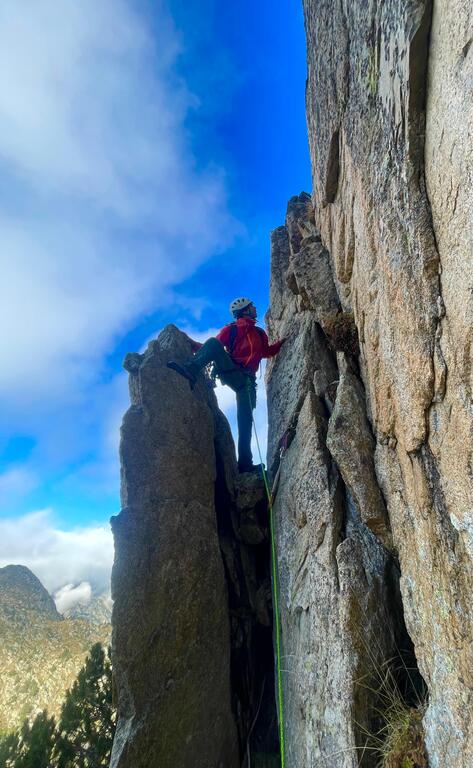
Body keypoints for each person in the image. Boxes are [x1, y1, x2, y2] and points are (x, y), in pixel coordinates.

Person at [167, 297, 286, 473]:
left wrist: (282, 343)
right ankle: (191, 370)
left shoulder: (260, 333)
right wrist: (193, 345)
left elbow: (266, 352)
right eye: (251, 306)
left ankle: (245, 464)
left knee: (245, 422)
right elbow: (213, 347)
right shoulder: (230, 330)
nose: (254, 308)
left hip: (246, 383)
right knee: (214, 342)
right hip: (231, 371)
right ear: (245, 310)